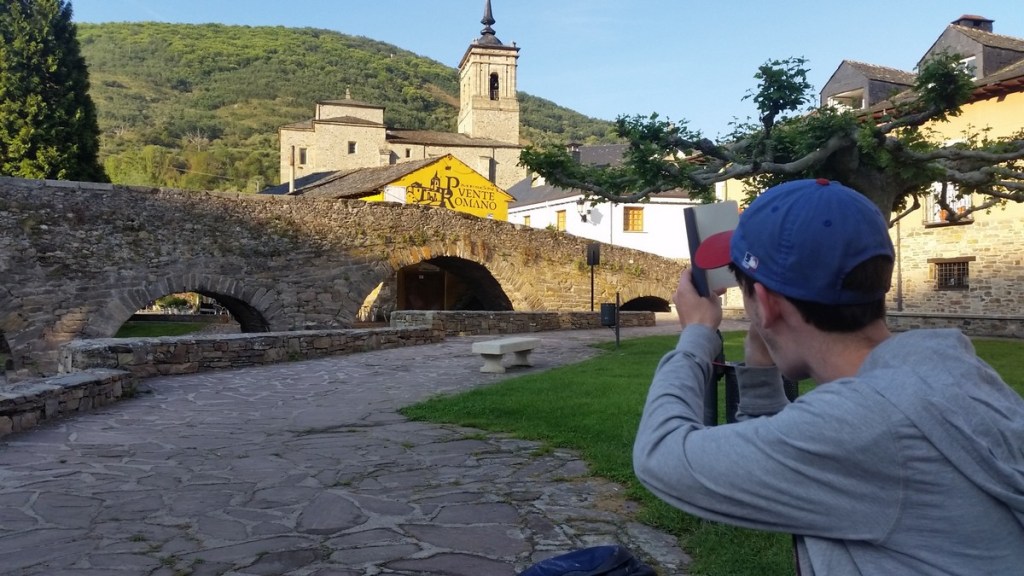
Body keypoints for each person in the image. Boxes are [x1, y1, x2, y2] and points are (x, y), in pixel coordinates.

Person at [632, 178, 1024, 575]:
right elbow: (790, 452)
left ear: (764, 304)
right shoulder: (945, 373)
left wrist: (696, 334)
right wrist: (761, 362)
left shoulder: (865, 425)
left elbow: (661, 455)